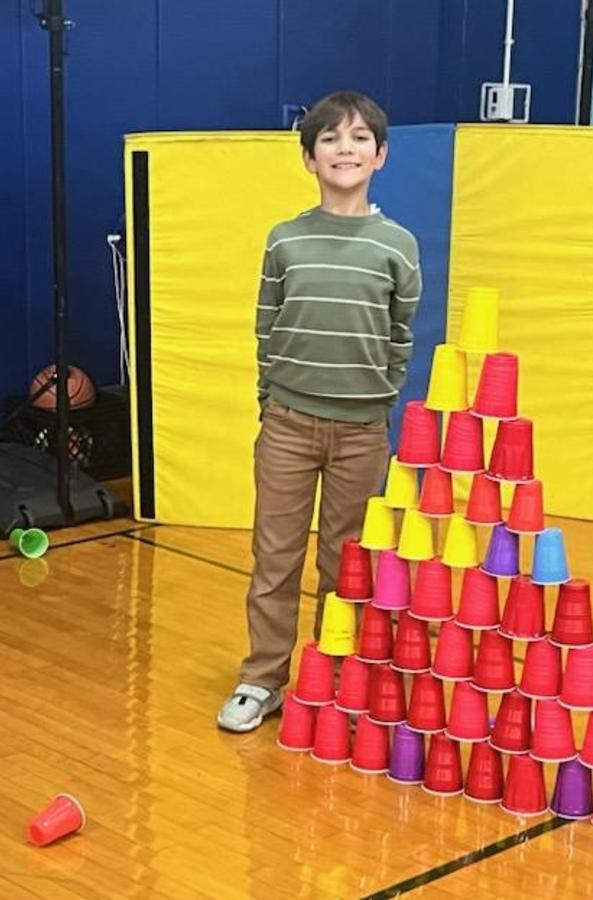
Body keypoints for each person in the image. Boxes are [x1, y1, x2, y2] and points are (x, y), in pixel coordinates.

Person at [217, 91, 422, 732]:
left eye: (360, 138)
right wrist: (272, 402)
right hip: (287, 424)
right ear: (309, 158)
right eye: (330, 139)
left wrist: (377, 404)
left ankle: (335, 675)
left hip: (362, 431)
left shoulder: (397, 244)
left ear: (380, 156)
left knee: (347, 561)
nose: (345, 149)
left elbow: (400, 335)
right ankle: (262, 679)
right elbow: (266, 327)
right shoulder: (285, 240)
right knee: (275, 557)